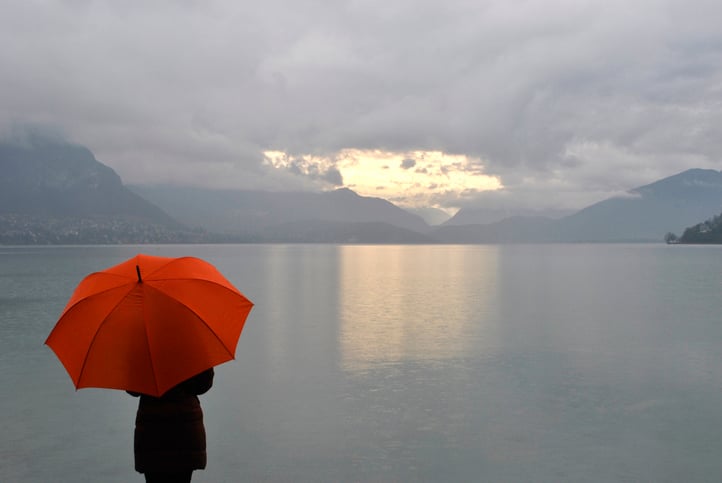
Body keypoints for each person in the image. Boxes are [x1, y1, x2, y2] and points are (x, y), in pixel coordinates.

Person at [128, 368, 214, 483]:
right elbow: (203, 384)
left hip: (152, 432)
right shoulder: (191, 350)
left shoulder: (141, 351)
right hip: (185, 430)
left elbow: (132, 388)